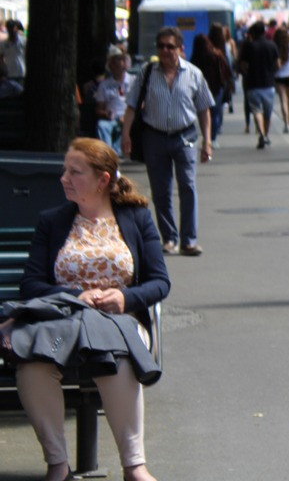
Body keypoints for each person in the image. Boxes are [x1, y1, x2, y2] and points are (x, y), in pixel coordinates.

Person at [14, 138, 169, 481]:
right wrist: (73, 296)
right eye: (64, 170)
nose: (64, 178)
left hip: (120, 321)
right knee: (32, 367)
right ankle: (57, 465)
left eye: (75, 171)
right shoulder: (52, 221)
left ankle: (134, 466)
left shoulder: (137, 218)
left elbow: (160, 282)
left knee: (119, 357)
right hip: (63, 322)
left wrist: (124, 299)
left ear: (103, 179)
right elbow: (31, 285)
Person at [121, 27, 213, 256]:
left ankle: (189, 240)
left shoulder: (194, 74)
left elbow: (204, 110)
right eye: (161, 46)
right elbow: (132, 105)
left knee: (188, 186)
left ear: (181, 49)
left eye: (170, 46)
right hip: (155, 136)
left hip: (186, 136)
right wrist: (125, 135)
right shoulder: (147, 73)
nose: (165, 50)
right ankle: (169, 238)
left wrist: (207, 141)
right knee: (160, 190)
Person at [238, 21, 279, 149]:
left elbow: (243, 65)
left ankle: (261, 133)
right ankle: (266, 135)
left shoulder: (248, 46)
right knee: (267, 113)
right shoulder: (272, 45)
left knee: (256, 111)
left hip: (253, 84)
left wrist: (247, 73)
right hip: (268, 84)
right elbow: (277, 65)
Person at [189, 34, 232, 149]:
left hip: (201, 89)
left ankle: (206, 136)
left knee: (203, 113)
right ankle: (212, 139)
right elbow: (226, 70)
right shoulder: (216, 55)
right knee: (215, 114)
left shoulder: (195, 58)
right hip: (217, 88)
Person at [94, 49, 134, 154]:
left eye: (122, 59)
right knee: (102, 125)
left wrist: (127, 117)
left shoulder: (133, 81)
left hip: (128, 118)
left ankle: (117, 152)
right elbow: (98, 109)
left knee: (127, 126)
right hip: (111, 118)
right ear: (110, 65)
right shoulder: (104, 85)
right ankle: (108, 153)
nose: (119, 63)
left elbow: (142, 104)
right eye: (116, 60)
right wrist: (106, 114)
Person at [272, 26, 289, 133]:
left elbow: (276, 64)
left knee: (283, 100)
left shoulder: (275, 47)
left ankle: (286, 123)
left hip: (279, 77)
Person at [2, 19, 26, 83]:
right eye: (9, 28)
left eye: (13, 28)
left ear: (16, 28)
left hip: (22, 73)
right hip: (9, 74)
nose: (12, 31)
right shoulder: (3, 44)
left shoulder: (23, 41)